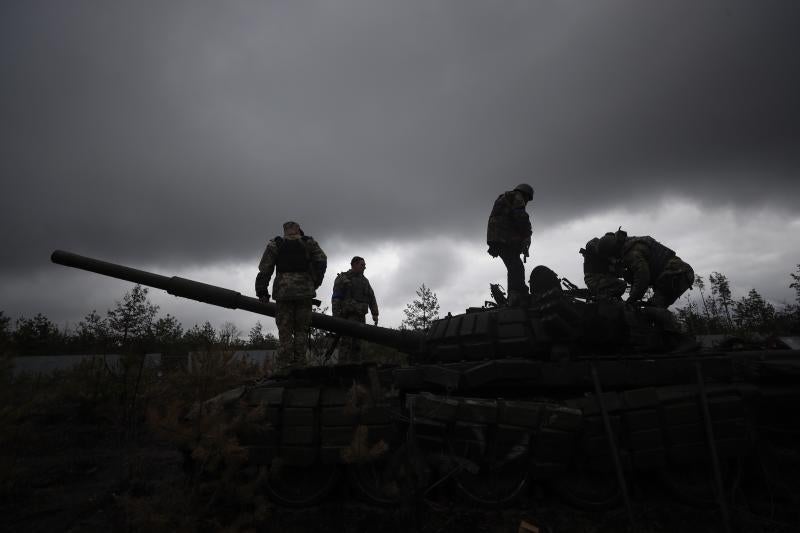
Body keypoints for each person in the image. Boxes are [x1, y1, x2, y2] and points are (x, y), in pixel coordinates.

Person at [255, 221, 327, 371]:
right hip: (304, 292)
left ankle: (283, 368)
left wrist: (262, 291)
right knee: (301, 330)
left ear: (285, 231)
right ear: (298, 229)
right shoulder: (308, 243)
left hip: (283, 293)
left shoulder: (275, 244)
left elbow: (265, 269)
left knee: (285, 332)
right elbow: (321, 261)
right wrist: (315, 282)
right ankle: (301, 366)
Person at [595, 229, 694, 308]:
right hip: (677, 274)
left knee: (654, 309)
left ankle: (671, 332)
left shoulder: (632, 253)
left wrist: (632, 299)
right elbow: (638, 276)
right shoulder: (630, 244)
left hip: (677, 274)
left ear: (614, 250)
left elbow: (642, 277)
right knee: (654, 306)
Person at [486, 183, 534, 306]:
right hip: (504, 238)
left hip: (497, 239)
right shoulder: (517, 196)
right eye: (527, 199)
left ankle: (516, 293)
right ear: (525, 194)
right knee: (516, 266)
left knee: (513, 265)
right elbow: (521, 217)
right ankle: (516, 295)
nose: (526, 202)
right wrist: (527, 234)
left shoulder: (504, 198)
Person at [331, 256, 379, 363]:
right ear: (354, 264)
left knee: (358, 345)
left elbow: (372, 297)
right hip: (347, 317)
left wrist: (375, 314)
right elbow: (336, 298)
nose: (364, 267)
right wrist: (336, 318)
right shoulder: (343, 278)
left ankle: (356, 369)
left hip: (361, 317)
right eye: (362, 265)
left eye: (365, 265)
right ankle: (343, 370)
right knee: (346, 344)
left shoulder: (365, 281)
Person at [579, 235, 627, 300]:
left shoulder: (611, 255)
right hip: (593, 280)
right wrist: (609, 258)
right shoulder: (595, 244)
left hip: (602, 281)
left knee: (619, 291)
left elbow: (617, 272)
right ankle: (603, 300)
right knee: (621, 285)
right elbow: (591, 245)